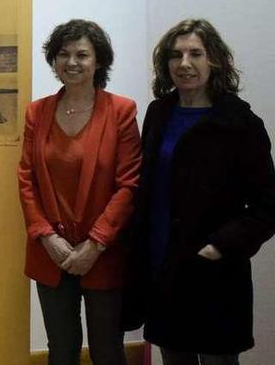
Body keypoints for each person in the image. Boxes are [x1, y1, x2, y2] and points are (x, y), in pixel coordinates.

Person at [122, 19, 275, 365]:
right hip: (162, 267)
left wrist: (219, 247)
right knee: (173, 357)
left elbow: (267, 206)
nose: (185, 64)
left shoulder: (240, 123)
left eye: (195, 54)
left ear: (215, 61)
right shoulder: (158, 113)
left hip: (214, 274)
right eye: (175, 55)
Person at [17, 19, 141, 365]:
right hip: (50, 252)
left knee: (107, 352)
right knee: (61, 351)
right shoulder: (36, 112)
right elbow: (26, 179)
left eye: (82, 55)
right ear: (53, 61)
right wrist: (45, 236)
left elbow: (129, 184)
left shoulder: (121, 111)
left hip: (102, 252)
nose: (72, 62)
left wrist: (96, 243)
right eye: (63, 54)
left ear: (99, 61)